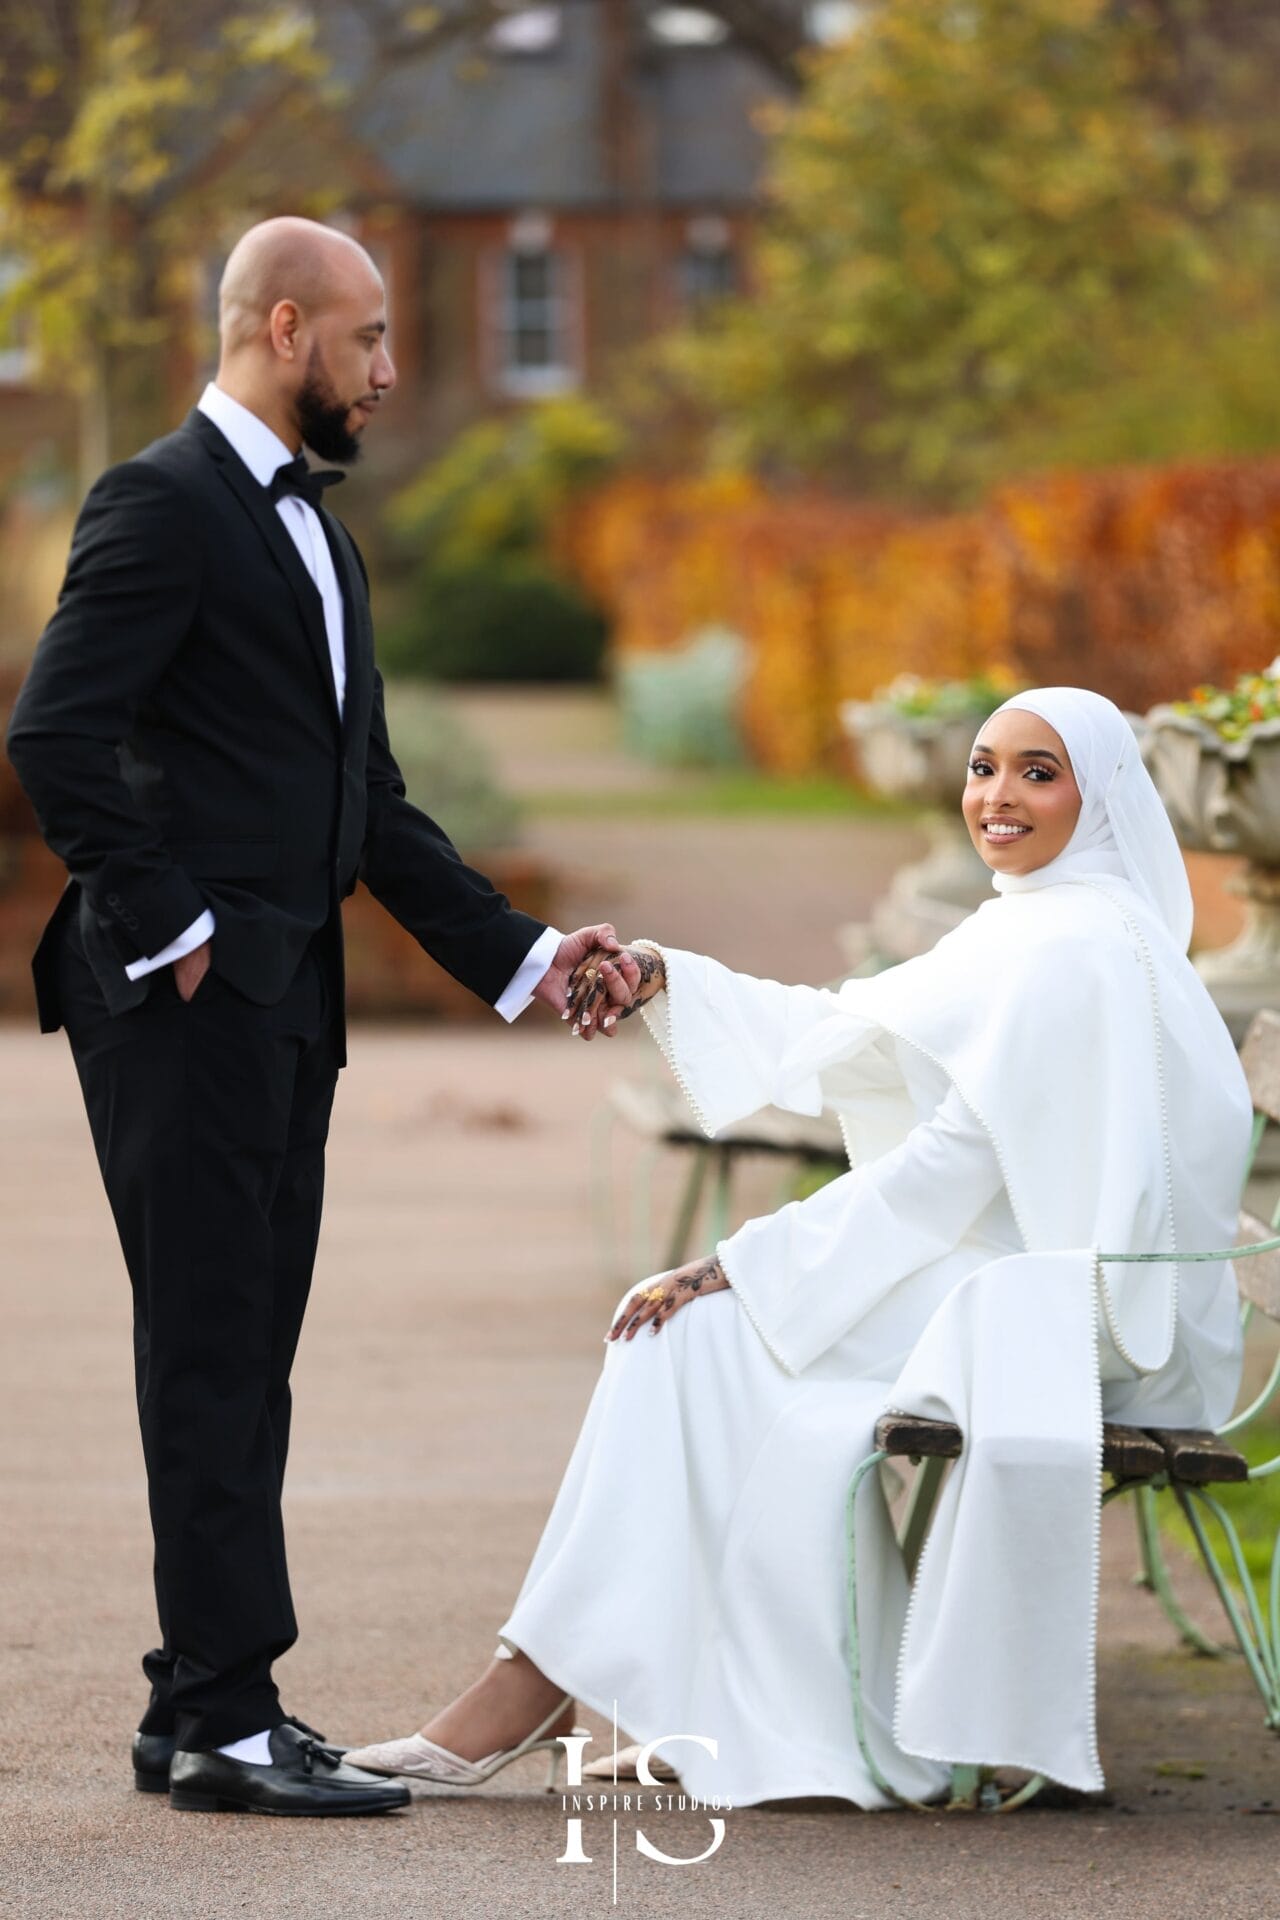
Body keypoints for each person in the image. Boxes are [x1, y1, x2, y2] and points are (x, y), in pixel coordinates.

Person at [346, 687, 1253, 1807]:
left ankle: (538, 1690)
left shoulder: (1076, 943)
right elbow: (855, 1027)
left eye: (1036, 771)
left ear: (1099, 794)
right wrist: (670, 977)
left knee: (701, 1328)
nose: (995, 797)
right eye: (982, 767)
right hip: (1022, 1278)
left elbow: (947, 1169)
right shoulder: (1040, 919)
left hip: (1073, 1313)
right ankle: (592, 1690)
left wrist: (738, 1261)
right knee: (690, 1340)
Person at [5, 216, 623, 1818]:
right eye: (367, 341)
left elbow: (368, 804)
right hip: (186, 1007)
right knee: (214, 1355)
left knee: (243, 1354)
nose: (389, 370)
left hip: (281, 1010)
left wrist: (528, 957)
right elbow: (56, 731)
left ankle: (193, 1702)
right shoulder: (160, 501)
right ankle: (223, 1715)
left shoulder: (314, 533)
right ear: (285, 328)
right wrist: (178, 926)